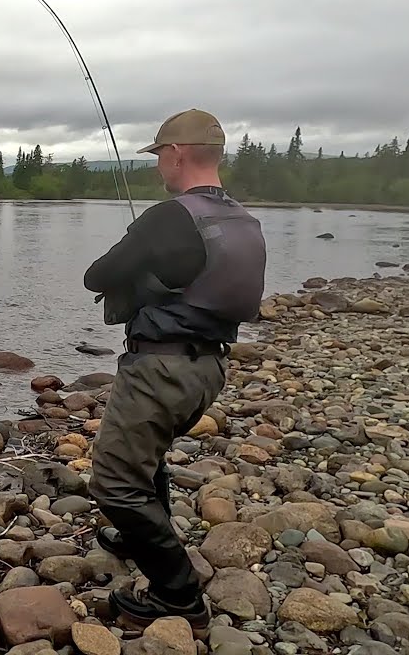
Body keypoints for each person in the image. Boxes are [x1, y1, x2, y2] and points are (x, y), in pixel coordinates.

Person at [82, 109, 267, 630]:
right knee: (150, 450)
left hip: (160, 368)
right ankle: (137, 534)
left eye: (160, 154)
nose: (159, 165)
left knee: (115, 483)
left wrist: (137, 246)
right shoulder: (242, 220)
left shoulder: (168, 217)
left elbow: (97, 276)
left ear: (175, 155)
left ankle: (177, 592)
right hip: (208, 370)